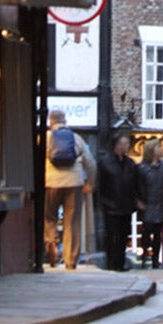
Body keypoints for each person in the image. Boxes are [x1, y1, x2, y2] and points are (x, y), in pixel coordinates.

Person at [45, 110, 92, 269]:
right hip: (74, 183)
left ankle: (51, 243)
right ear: (65, 121)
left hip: (50, 182)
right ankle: (70, 260)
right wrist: (90, 182)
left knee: (49, 217)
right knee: (72, 222)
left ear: (51, 122)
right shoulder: (76, 138)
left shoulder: (46, 138)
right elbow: (90, 163)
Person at [95, 131, 141, 271]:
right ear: (116, 145)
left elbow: (135, 184)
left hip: (126, 206)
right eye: (124, 143)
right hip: (111, 205)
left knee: (123, 236)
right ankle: (111, 264)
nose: (127, 146)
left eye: (128, 143)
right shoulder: (105, 163)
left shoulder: (130, 163)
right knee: (111, 236)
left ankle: (120, 264)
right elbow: (100, 185)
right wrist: (103, 203)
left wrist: (136, 201)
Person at [136, 138, 163, 268]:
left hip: (160, 203)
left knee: (158, 233)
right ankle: (144, 256)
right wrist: (138, 201)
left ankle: (155, 260)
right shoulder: (141, 168)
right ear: (151, 150)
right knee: (147, 232)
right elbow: (136, 186)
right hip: (147, 204)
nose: (161, 149)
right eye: (158, 147)